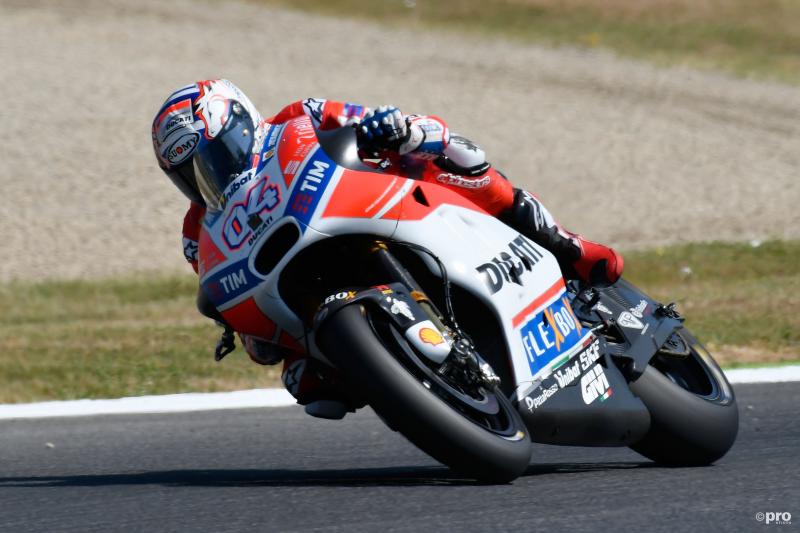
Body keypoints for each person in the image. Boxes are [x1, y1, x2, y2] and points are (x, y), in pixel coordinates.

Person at [152, 79, 623, 419]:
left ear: (240, 123)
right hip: (305, 284)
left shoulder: (297, 118)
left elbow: (367, 119)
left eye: (212, 157)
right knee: (308, 386)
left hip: (374, 203)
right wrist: (226, 316)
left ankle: (565, 245)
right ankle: (404, 378)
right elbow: (225, 297)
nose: (205, 177)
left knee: (458, 156)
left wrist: (392, 127)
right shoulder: (196, 234)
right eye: (189, 173)